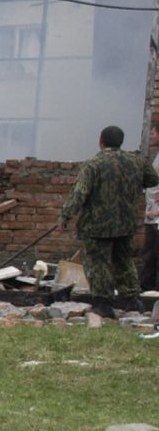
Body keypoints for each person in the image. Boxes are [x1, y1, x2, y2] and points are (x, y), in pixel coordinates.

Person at [60, 125, 158, 309]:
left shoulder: (93, 165)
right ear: (121, 142)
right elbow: (152, 180)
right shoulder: (137, 162)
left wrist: (65, 216)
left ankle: (103, 304)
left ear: (101, 141)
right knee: (124, 261)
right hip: (126, 223)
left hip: (97, 225)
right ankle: (132, 300)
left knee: (98, 264)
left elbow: (79, 193)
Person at [141, 122, 159, 296]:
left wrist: (156, 212)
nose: (151, 135)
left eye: (153, 132)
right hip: (152, 213)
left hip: (157, 216)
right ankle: (148, 290)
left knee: (153, 252)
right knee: (150, 253)